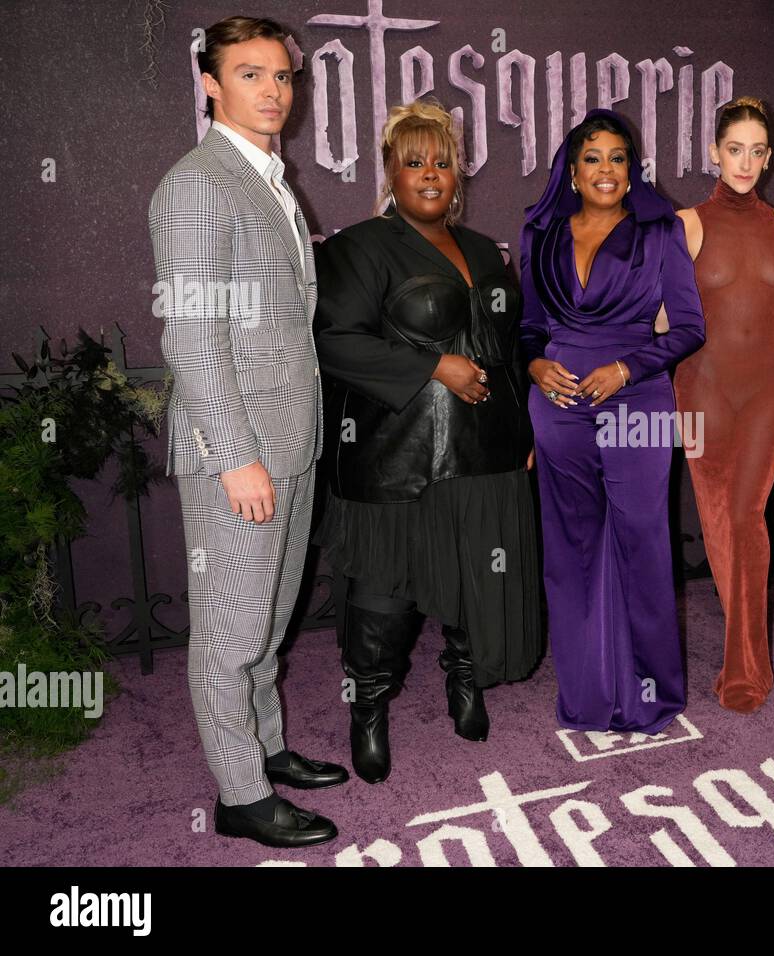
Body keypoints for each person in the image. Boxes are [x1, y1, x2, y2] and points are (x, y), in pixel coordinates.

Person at [148, 15, 346, 849]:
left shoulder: (268, 177)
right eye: (250, 73)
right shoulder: (199, 183)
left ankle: (264, 748)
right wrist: (235, 459)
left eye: (281, 75)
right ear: (210, 83)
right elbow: (190, 338)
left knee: (266, 621)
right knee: (231, 630)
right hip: (240, 453)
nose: (272, 90)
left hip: (288, 439)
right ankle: (239, 795)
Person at [312, 97, 542, 782]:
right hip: (397, 458)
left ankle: (464, 683)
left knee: (478, 577)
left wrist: (520, 429)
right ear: (390, 170)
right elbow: (333, 342)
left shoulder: (482, 250)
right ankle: (370, 711)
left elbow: (502, 351)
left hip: (485, 452)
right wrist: (431, 366)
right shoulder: (360, 247)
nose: (431, 174)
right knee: (383, 594)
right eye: (414, 162)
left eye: (443, 161)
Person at [519, 109, 705, 733]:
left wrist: (626, 369)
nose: (606, 169)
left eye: (618, 157)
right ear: (571, 171)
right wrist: (535, 365)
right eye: (593, 157)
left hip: (637, 401)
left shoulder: (660, 232)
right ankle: (588, 692)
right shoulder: (539, 233)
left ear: (633, 169)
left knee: (642, 539)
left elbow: (688, 328)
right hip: (560, 401)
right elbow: (527, 326)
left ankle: (650, 690)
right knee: (571, 546)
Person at [673, 96, 774, 713]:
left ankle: (746, 668)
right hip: (705, 392)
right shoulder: (687, 223)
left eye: (757, 151)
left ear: (770, 158)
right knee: (722, 525)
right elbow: (661, 318)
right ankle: (745, 648)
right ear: (714, 153)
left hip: (771, 392)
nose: (745, 162)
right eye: (733, 149)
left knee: (745, 516)